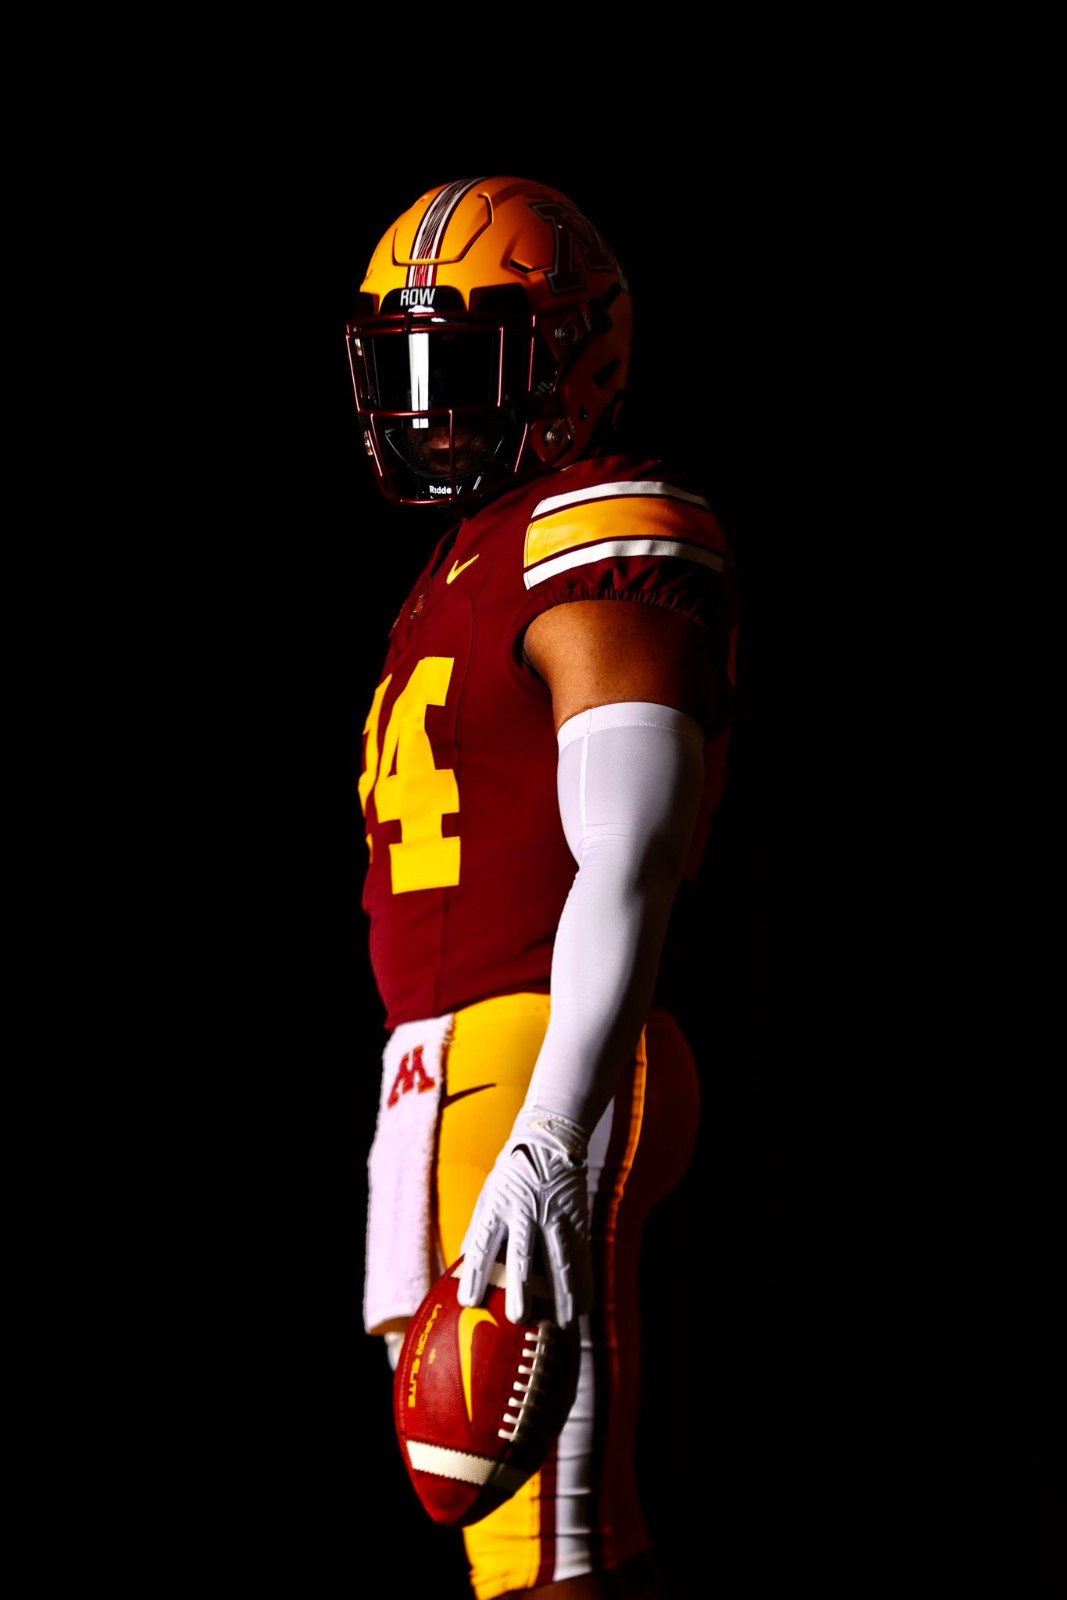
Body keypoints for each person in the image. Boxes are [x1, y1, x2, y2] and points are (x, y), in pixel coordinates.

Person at [348, 175, 739, 1600]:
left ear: (576, 354)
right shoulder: (462, 557)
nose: (434, 406)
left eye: (468, 363)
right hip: (440, 1067)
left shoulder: (601, 521)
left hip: (535, 1047)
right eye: (410, 368)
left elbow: (631, 848)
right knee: (493, 1521)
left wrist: (555, 1132)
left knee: (548, 1547)